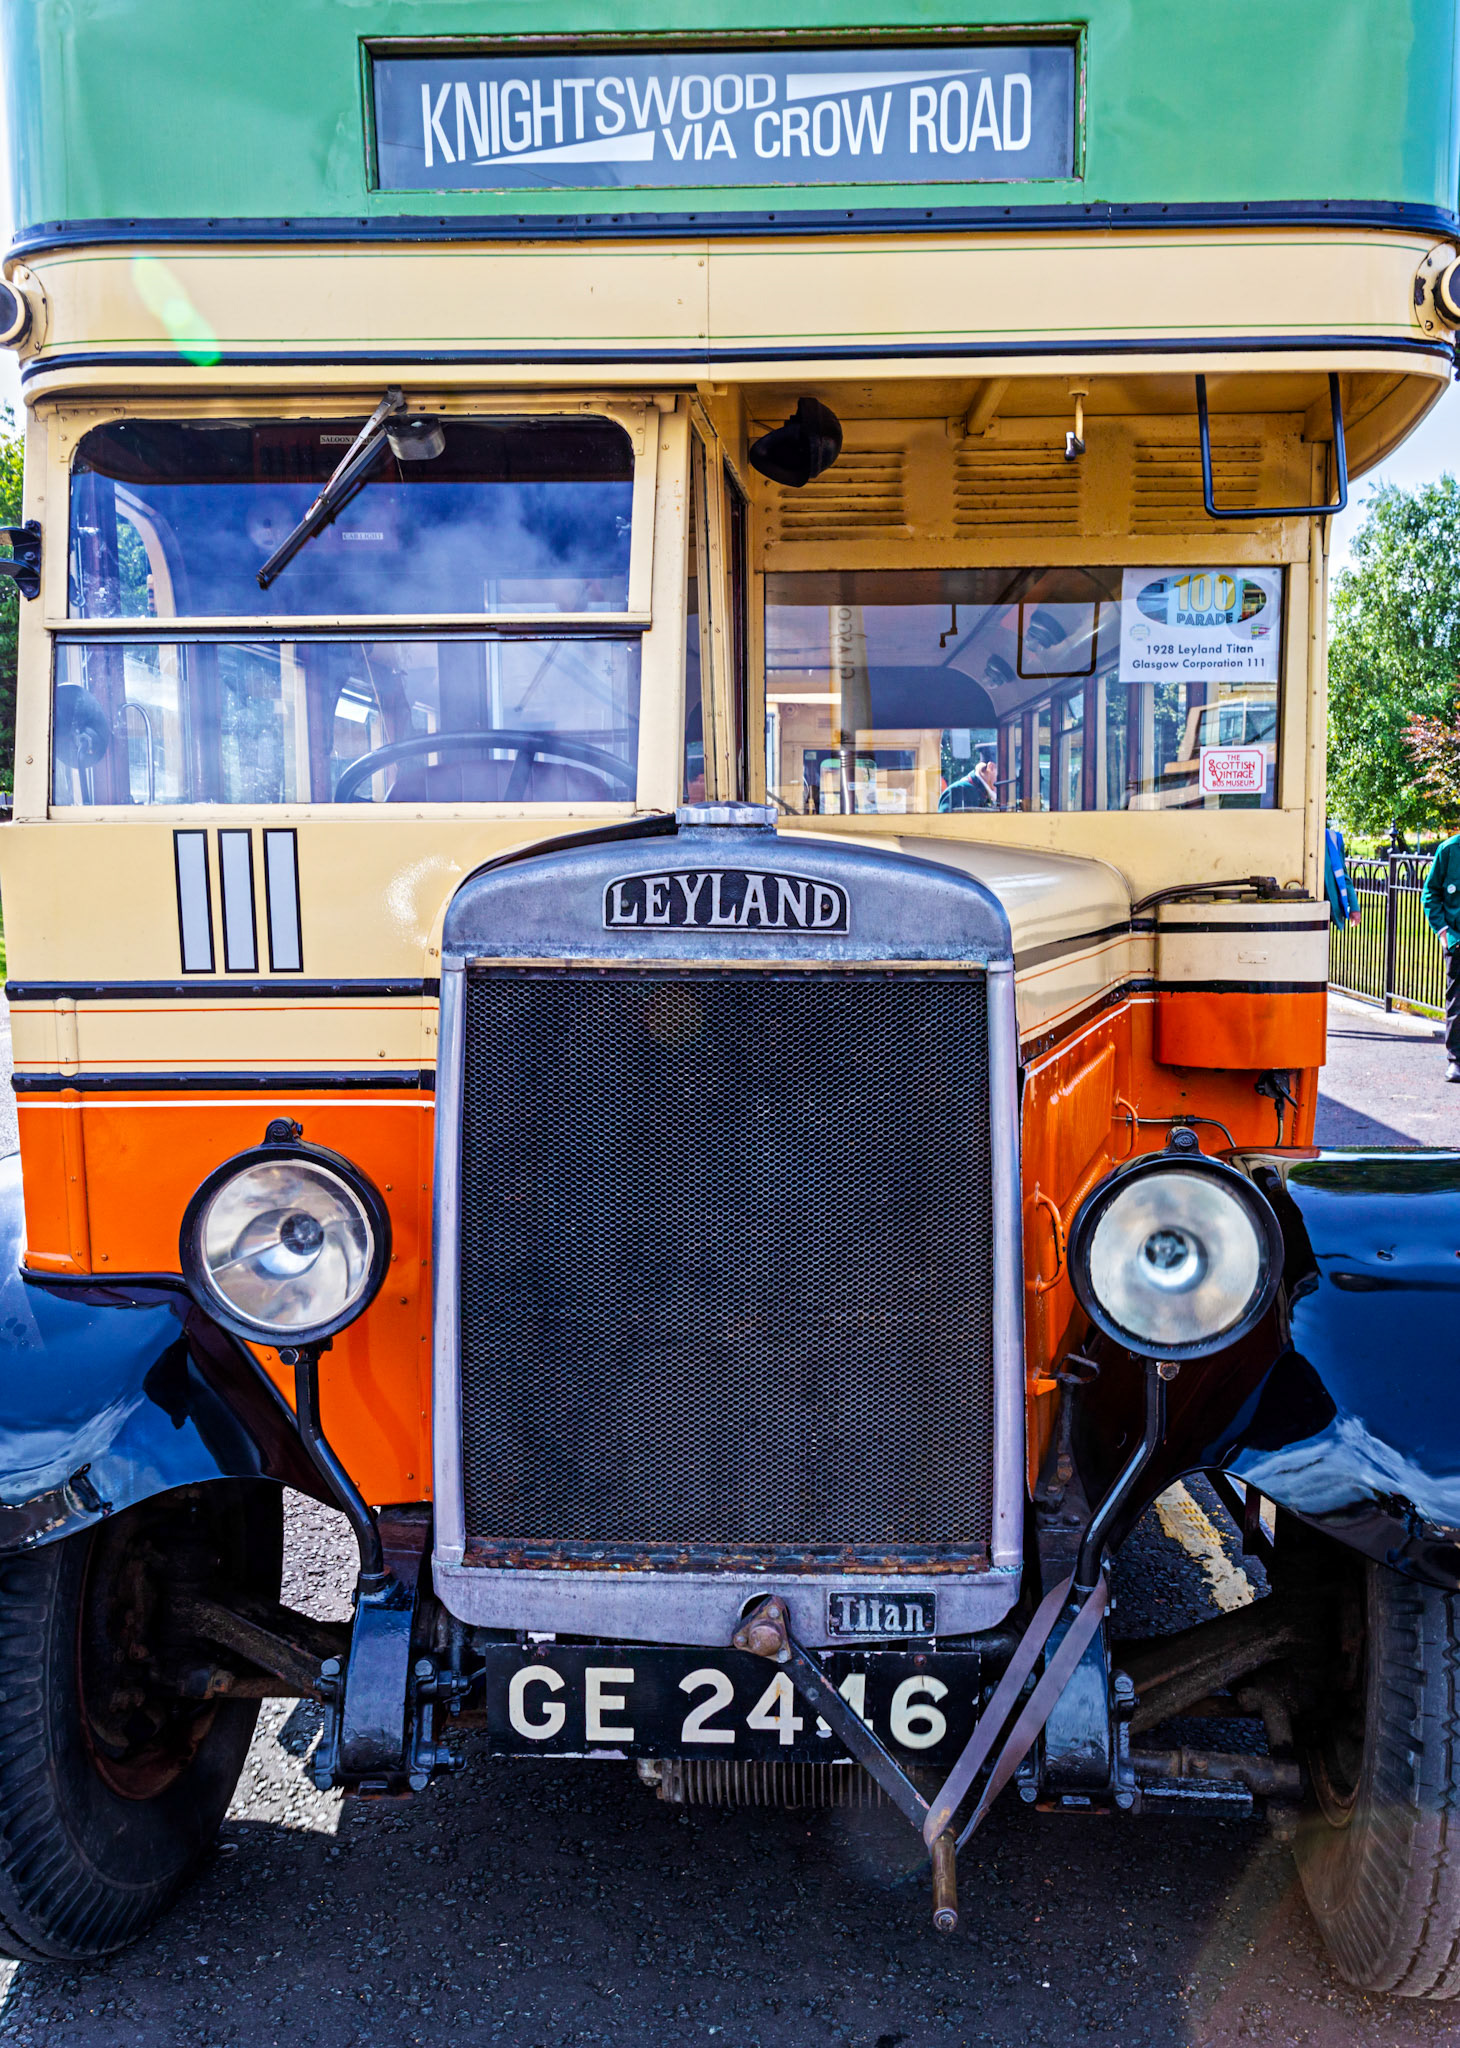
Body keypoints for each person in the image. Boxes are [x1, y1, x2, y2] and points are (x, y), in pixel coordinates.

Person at [1421, 830, 1460, 1081]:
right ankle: (1456, 1060)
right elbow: (1431, 893)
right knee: (1457, 1001)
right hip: (1458, 940)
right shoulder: (1448, 850)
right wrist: (1445, 932)